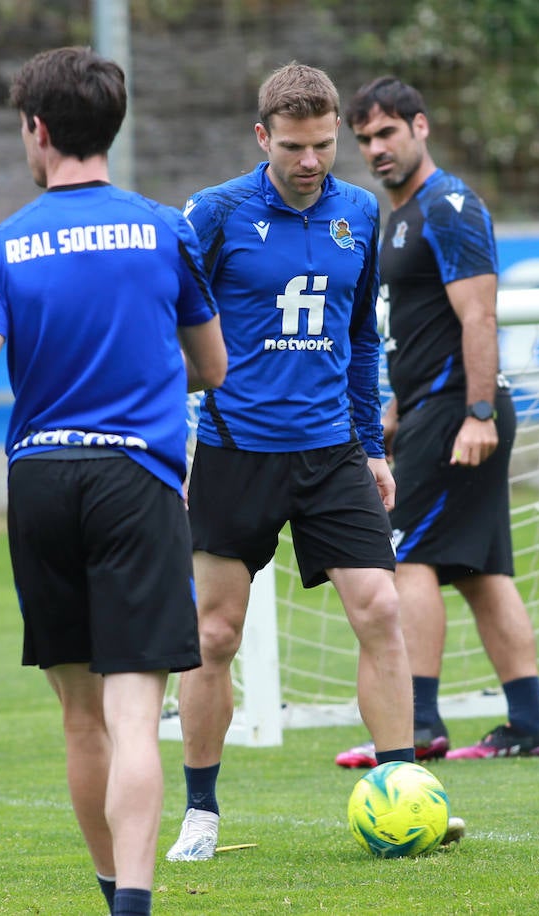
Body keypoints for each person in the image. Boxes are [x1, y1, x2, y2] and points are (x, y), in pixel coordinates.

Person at [0, 47, 226, 916]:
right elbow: (211, 367)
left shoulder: (1, 247)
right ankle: (136, 906)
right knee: (136, 715)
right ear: (113, 126)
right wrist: (140, 381)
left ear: (36, 130)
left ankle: (108, 894)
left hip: (40, 481)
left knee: (80, 717)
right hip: (133, 480)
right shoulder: (165, 229)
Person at [164, 62, 416, 862]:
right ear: (263, 136)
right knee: (215, 635)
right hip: (237, 452)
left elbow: (359, 337)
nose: (312, 162)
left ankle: (406, 794)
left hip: (332, 453)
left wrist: (372, 446)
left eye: (324, 144)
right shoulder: (213, 213)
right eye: (295, 147)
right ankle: (201, 812)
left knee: (380, 609)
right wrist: (171, 446)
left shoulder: (358, 212)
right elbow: (167, 328)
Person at [332, 76, 539, 767]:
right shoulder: (398, 212)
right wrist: (400, 407)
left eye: (387, 133)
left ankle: (420, 720)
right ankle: (530, 723)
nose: (375, 149)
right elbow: (423, 328)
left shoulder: (449, 205)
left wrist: (478, 412)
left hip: (463, 411)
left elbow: (479, 315)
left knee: (410, 560)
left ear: (420, 127)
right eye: (364, 138)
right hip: (434, 408)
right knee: (482, 571)